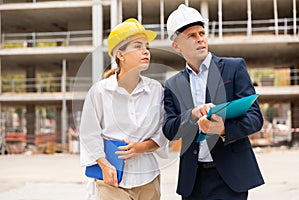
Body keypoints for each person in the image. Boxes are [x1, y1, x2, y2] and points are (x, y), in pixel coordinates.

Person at [163, 4, 264, 200]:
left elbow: (255, 118)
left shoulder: (234, 68)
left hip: (230, 177)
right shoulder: (172, 84)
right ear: (176, 45)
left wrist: (224, 129)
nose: (200, 38)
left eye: (202, 33)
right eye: (191, 36)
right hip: (193, 180)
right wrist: (192, 114)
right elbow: (169, 130)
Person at [79, 18, 168, 200]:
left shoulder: (156, 90)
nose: (145, 51)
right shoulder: (100, 91)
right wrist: (104, 165)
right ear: (120, 54)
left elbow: (163, 130)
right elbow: (89, 133)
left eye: (147, 47)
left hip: (147, 178)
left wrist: (142, 147)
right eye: (138, 46)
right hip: (110, 179)